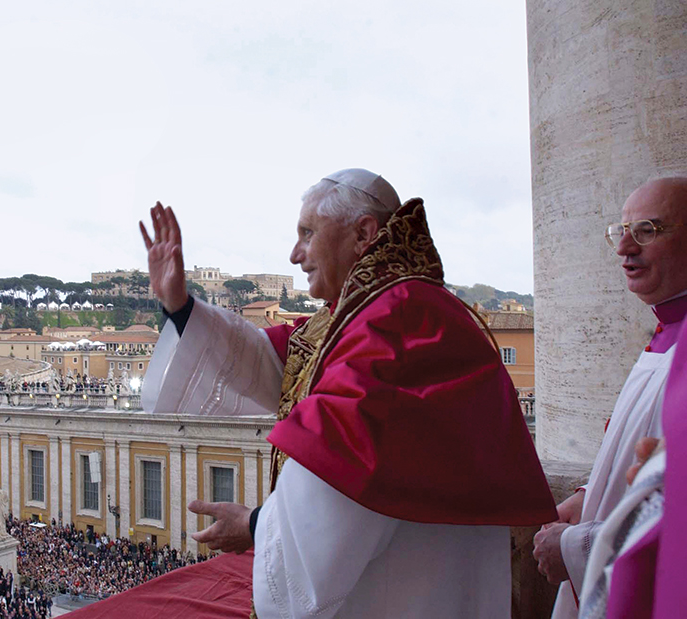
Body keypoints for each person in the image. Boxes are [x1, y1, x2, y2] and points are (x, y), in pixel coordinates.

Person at [140, 168, 556, 618]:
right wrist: (180, 305)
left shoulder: (395, 328)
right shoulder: (381, 311)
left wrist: (257, 525)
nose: (295, 254)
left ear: (364, 234)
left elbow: (333, 496)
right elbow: (272, 363)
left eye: (307, 233)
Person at [533, 177, 687, 618]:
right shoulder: (664, 333)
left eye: (648, 230)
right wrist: (589, 494)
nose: (624, 248)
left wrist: (579, 545)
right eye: (620, 231)